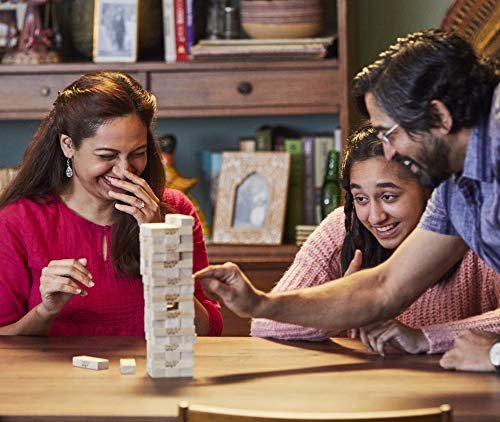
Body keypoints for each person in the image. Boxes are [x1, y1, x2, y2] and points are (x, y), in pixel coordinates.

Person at [195, 30, 499, 372]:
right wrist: (260, 303)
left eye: (390, 133)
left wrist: (494, 354)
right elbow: (385, 287)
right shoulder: (454, 190)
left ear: (440, 117)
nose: (388, 151)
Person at [0, 70, 223, 337]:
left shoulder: (175, 211)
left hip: (151, 376)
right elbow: (5, 343)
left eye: (137, 154)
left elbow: (206, 332)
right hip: (59, 378)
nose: (124, 170)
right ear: (68, 146)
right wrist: (45, 311)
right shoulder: (17, 222)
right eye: (107, 155)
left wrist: (160, 242)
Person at [251, 127, 499, 353]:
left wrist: (426, 337)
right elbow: (265, 325)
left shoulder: (472, 231)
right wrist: (342, 307)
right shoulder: (344, 227)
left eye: (389, 197)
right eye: (361, 198)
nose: (375, 216)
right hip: (365, 391)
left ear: (428, 189)